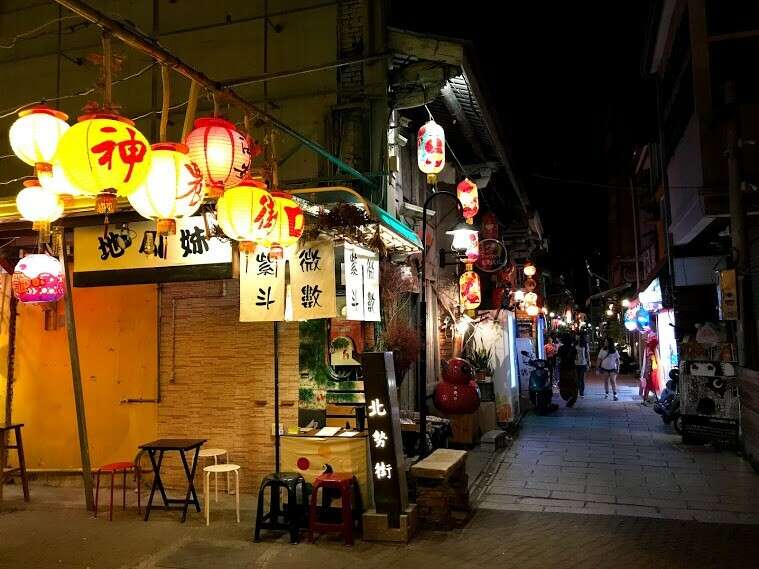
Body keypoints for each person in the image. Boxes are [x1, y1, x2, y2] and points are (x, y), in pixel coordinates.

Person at [557, 334, 579, 407]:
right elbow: (576, 358)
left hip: (563, 368)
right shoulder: (573, 349)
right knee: (573, 384)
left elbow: (559, 358)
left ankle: (567, 396)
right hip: (572, 368)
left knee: (564, 383)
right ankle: (572, 397)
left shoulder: (560, 348)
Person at [575, 333, 590, 398]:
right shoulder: (574, 344)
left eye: (577, 335)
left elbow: (587, 353)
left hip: (583, 363)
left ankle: (581, 392)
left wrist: (589, 361)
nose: (576, 336)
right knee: (577, 378)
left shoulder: (585, 345)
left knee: (582, 378)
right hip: (576, 363)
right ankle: (578, 390)